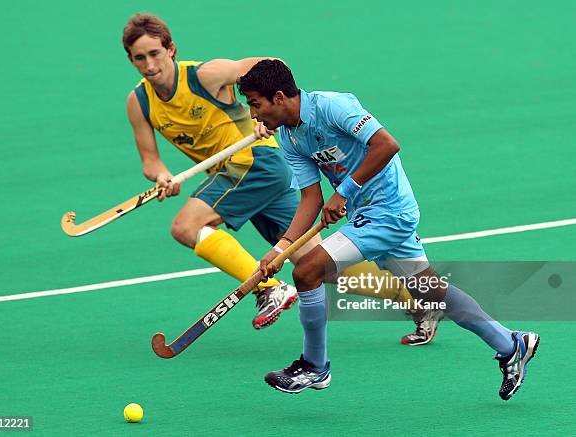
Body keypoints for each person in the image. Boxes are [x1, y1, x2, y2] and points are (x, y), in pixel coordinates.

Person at [238, 59, 540, 400]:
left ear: (278, 97)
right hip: (364, 213)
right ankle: (511, 344)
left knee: (307, 271)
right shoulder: (290, 138)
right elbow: (310, 199)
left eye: (255, 104)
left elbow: (387, 144)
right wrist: (281, 249)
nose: (254, 115)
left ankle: (315, 366)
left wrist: (344, 192)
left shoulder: (333, 106)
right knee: (429, 291)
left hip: (389, 210)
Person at [122, 13, 315, 329]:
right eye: (139, 58)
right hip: (251, 176)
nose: (150, 65)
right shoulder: (139, 101)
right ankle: (418, 297)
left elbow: (274, 64)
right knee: (315, 262)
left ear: (171, 49)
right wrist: (161, 177)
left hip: (254, 163)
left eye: (155, 53)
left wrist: (264, 113)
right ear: (132, 61)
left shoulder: (206, 76)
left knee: (185, 227)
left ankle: (269, 288)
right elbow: (150, 160)